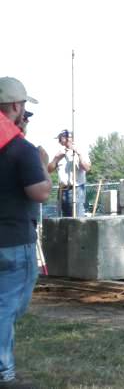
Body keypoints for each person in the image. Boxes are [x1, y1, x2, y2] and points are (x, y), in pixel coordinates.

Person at [0, 76, 51, 386]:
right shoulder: (21, 148)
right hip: (14, 242)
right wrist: (43, 164)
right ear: (16, 106)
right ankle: (3, 371)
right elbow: (40, 192)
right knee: (8, 306)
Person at [47, 130, 91, 217]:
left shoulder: (80, 150)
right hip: (62, 190)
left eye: (62, 137)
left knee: (77, 218)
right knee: (63, 219)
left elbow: (87, 168)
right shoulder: (57, 152)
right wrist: (56, 158)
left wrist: (79, 154)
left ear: (69, 138)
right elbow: (48, 170)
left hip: (77, 189)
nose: (60, 140)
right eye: (60, 138)